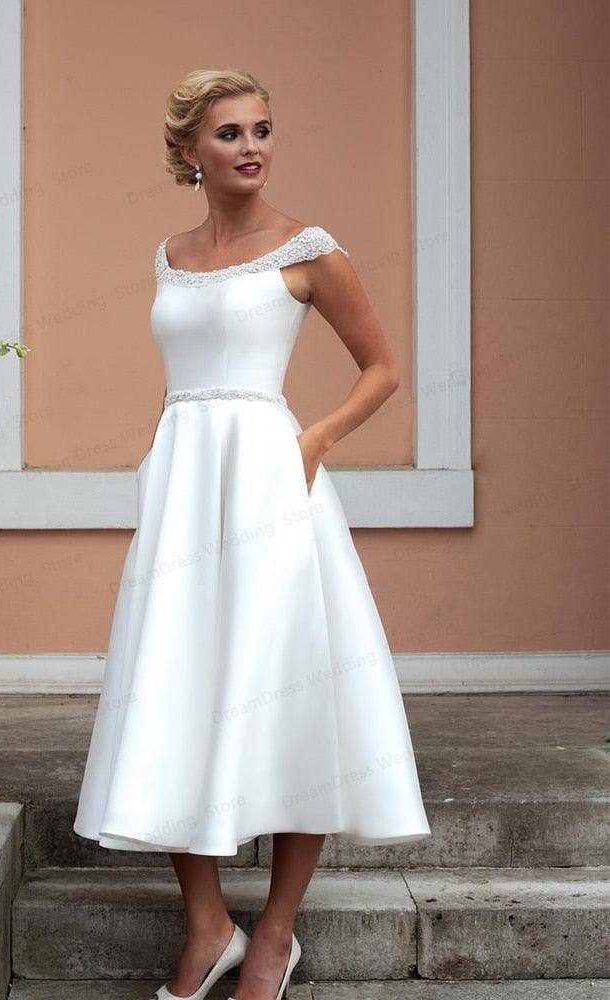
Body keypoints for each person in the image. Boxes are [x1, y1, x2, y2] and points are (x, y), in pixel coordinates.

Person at [73, 67, 432, 1000]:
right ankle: (208, 926)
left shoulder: (308, 249)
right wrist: (158, 460)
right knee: (176, 684)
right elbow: (183, 375)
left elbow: (382, 368)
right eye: (230, 133)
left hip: (273, 485)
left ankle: (274, 935)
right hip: (184, 490)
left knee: (290, 689)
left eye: (262, 129)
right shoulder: (170, 254)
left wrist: (313, 440)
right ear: (188, 149)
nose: (251, 147)